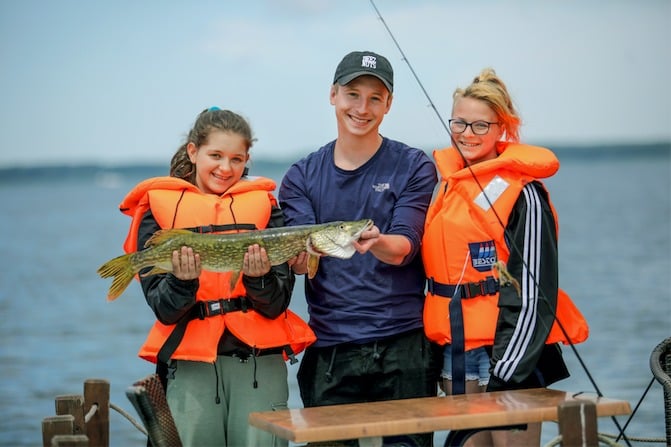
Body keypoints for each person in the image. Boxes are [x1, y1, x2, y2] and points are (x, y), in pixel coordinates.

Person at [116, 107, 315, 447]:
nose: (226, 168)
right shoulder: (159, 212)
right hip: (191, 367)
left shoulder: (266, 209)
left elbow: (276, 305)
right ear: (193, 151)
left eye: (236, 159)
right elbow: (165, 310)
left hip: (258, 365)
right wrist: (183, 281)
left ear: (247, 159)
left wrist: (258, 279)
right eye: (216, 155)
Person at [278, 50, 440, 447]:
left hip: (404, 344)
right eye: (353, 94)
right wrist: (298, 262)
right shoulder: (301, 176)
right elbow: (303, 257)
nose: (362, 108)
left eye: (374, 98)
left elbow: (405, 245)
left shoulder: (414, 165)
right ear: (333, 95)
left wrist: (378, 242)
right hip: (331, 348)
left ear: (388, 104)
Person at [422, 68, 588, 446]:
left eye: (481, 125)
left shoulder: (524, 195)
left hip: (511, 357)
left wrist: (508, 370)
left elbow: (534, 292)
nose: (467, 134)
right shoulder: (445, 189)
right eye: (460, 123)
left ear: (503, 128)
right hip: (457, 353)